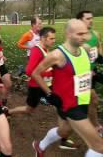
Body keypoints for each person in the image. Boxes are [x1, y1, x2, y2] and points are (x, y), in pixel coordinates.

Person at [31, 19, 103, 157]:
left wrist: (97, 76)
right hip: (69, 105)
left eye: (85, 33)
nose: (84, 37)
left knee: (64, 131)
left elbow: (83, 72)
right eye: (80, 34)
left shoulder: (85, 49)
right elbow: (35, 73)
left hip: (82, 101)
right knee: (99, 147)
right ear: (68, 34)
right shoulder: (57, 55)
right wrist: (50, 94)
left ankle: (39, 146)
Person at [9, 27, 78, 150]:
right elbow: (30, 71)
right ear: (42, 38)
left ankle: (63, 138)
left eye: (54, 38)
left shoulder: (46, 49)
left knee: (61, 106)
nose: (54, 41)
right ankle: (7, 112)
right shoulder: (37, 50)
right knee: (28, 109)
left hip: (48, 86)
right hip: (36, 87)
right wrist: (47, 73)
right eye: (51, 38)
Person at [76, 10, 103, 136]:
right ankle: (94, 127)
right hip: (81, 74)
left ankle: (91, 125)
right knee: (93, 100)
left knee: (92, 101)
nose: (91, 20)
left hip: (92, 72)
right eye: (87, 18)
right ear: (80, 21)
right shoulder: (76, 37)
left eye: (91, 18)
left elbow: (99, 51)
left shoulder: (96, 34)